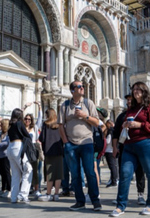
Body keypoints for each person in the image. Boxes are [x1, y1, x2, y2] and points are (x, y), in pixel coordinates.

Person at [110, 82, 150, 217]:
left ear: (144, 91)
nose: (135, 91)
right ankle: (120, 206)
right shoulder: (131, 109)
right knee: (125, 174)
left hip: (146, 144)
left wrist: (140, 124)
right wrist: (125, 124)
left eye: (138, 89)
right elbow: (122, 128)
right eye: (134, 89)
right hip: (129, 145)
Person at [58, 80, 101, 211]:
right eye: (79, 86)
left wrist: (85, 116)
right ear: (72, 91)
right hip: (71, 144)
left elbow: (97, 122)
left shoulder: (89, 103)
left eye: (82, 86)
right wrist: (66, 142)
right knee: (75, 175)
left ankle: (95, 201)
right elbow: (60, 125)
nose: (82, 88)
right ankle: (80, 201)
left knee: (90, 172)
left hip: (87, 142)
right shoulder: (65, 105)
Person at [112, 94, 147, 206]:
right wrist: (114, 147)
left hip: (139, 146)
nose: (128, 102)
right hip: (124, 147)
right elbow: (115, 133)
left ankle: (140, 194)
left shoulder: (140, 115)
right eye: (127, 100)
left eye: (130, 100)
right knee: (124, 172)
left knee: (140, 171)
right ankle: (122, 196)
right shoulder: (122, 116)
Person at [7, 108, 32, 204]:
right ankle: (23, 194)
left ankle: (14, 197)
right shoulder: (19, 123)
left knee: (16, 174)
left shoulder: (10, 125)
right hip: (18, 146)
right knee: (28, 170)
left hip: (10, 147)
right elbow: (27, 135)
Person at [38, 108, 63, 201]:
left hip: (48, 151)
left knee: (50, 173)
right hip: (59, 151)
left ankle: (48, 193)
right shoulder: (60, 124)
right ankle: (56, 194)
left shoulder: (46, 125)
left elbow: (42, 138)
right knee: (58, 173)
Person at [23, 103, 42, 198]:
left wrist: (39, 107)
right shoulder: (22, 128)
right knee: (24, 169)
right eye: (26, 119)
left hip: (33, 148)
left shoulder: (34, 128)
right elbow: (17, 117)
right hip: (24, 149)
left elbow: (40, 119)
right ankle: (26, 188)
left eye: (29, 119)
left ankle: (36, 189)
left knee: (35, 170)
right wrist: (24, 108)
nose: (27, 121)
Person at [0, 119, 11, 198]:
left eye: (1, 124)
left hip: (5, 156)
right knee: (2, 173)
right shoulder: (0, 134)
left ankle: (9, 189)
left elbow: (7, 143)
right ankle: (3, 189)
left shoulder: (8, 134)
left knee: (7, 173)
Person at [104, 120, 119, 188]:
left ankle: (114, 181)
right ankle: (114, 180)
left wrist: (103, 139)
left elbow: (108, 141)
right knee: (114, 166)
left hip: (109, 150)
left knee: (112, 166)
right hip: (113, 150)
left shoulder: (110, 131)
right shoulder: (116, 130)